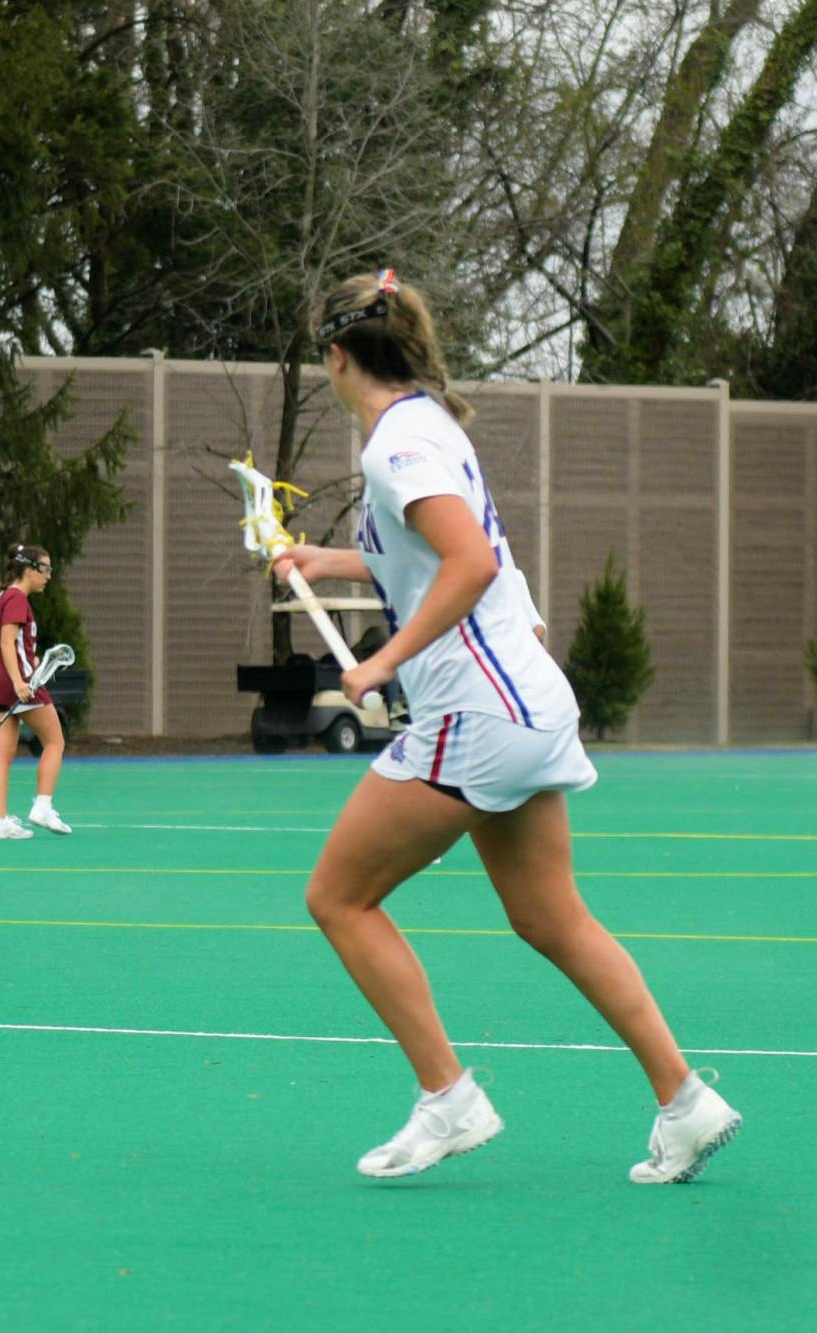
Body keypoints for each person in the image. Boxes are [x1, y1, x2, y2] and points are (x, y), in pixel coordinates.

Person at [273, 269, 739, 1183]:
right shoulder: (429, 423)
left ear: (336, 356)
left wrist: (377, 661)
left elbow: (471, 561)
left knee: (338, 898)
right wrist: (328, 557)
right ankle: (686, 1102)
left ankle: (449, 1098)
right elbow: (432, 554)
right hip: (524, 702)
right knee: (550, 917)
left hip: (478, 714)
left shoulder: (393, 445)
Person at [0, 545, 71, 840]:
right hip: (16, 683)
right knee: (55, 741)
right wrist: (20, 681)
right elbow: (7, 644)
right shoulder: (17, 599)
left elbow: (16, 646)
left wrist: (34, 662)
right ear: (28, 569)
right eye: (45, 570)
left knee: (1, 756)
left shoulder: (4, 597)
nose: (48, 576)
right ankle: (42, 806)